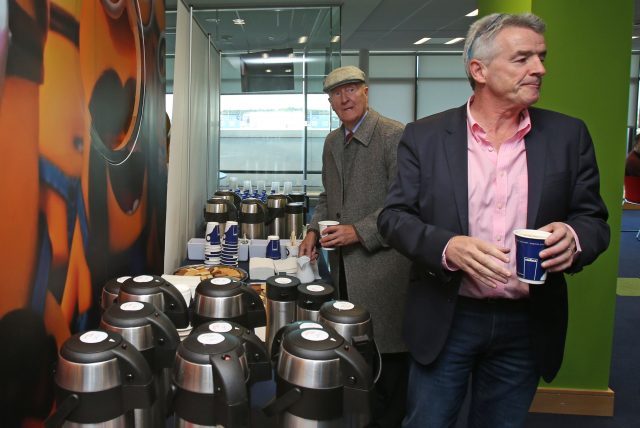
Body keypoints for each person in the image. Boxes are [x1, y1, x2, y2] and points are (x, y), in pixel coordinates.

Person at [377, 13, 610, 428]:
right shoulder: (424, 137)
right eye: (522, 59)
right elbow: (394, 218)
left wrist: (573, 237)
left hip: (527, 322)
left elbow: (593, 219)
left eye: (541, 57)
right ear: (479, 70)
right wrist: (448, 247)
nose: (540, 69)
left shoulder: (568, 136)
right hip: (448, 316)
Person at [299, 65, 412, 426]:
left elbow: (406, 205)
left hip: (385, 268)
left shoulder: (395, 136)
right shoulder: (333, 141)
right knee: (353, 350)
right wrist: (314, 230)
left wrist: (358, 231)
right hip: (343, 268)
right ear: (330, 101)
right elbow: (327, 196)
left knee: (387, 357)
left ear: (366, 92)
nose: (344, 98)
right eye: (336, 92)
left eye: (352, 89)